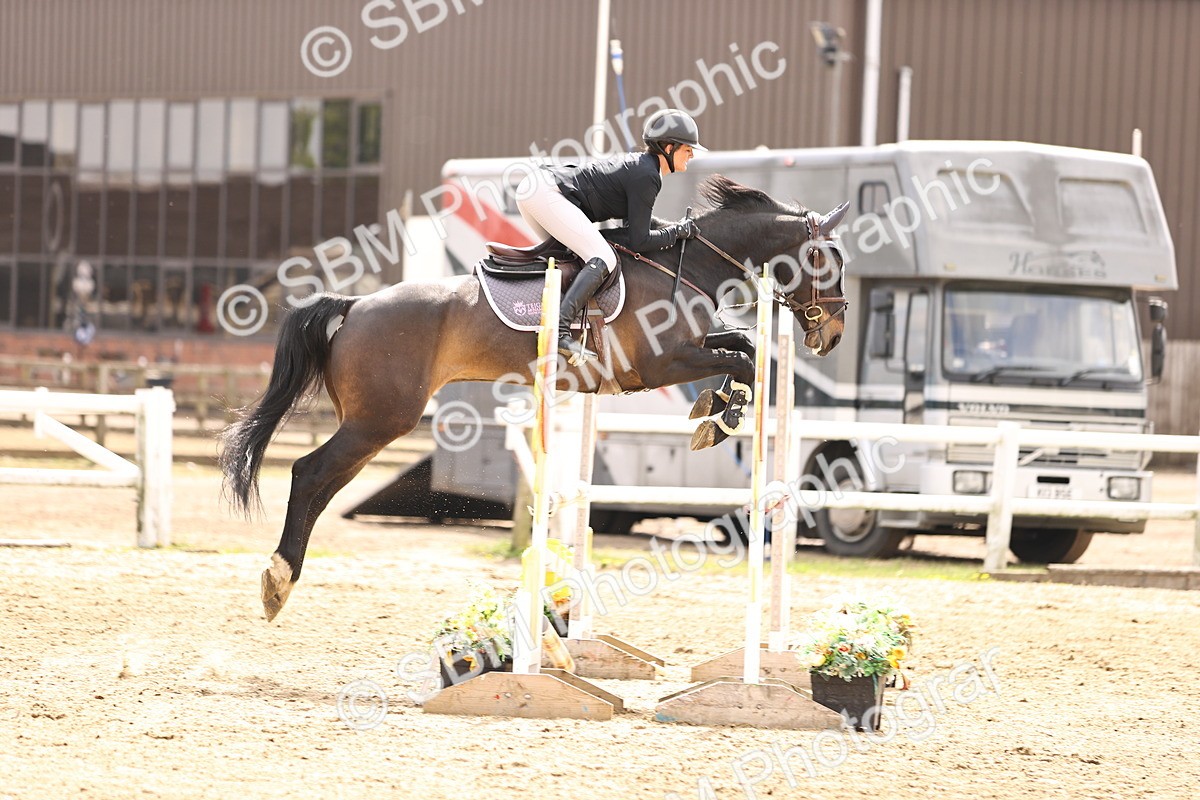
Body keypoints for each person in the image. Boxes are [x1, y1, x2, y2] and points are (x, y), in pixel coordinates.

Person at [516, 108, 705, 360]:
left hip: (537, 189)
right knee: (604, 258)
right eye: (687, 149)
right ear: (668, 148)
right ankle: (559, 332)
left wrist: (673, 229)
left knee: (572, 258)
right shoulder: (648, 176)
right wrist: (677, 232)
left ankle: (543, 317)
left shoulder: (643, 168)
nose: (692, 154)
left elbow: (634, 229)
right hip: (548, 193)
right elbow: (640, 241)